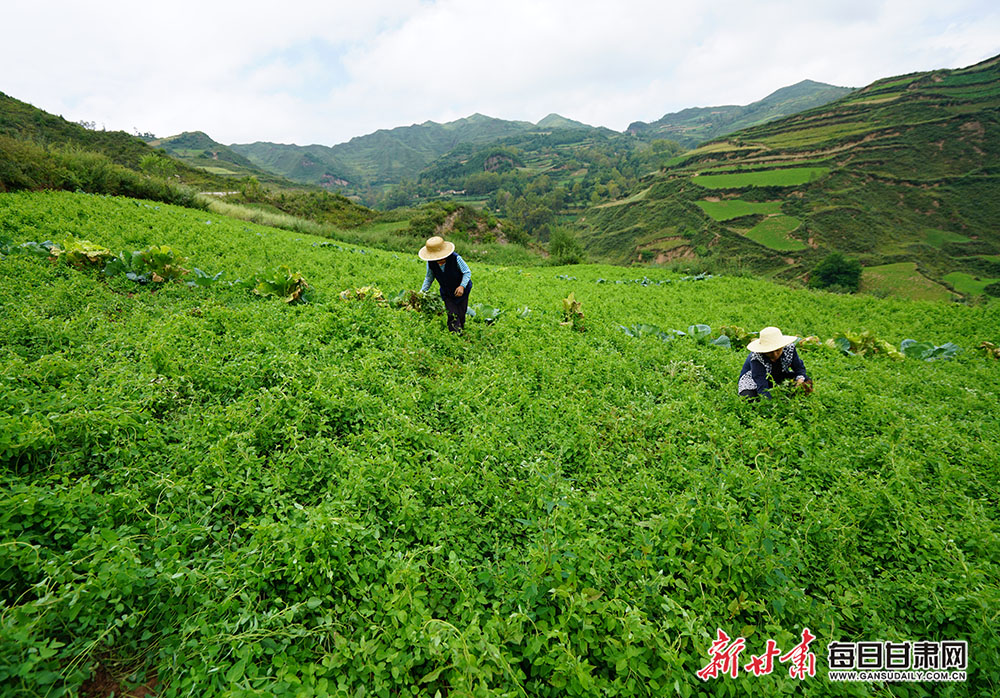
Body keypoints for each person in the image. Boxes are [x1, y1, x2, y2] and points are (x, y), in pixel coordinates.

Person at [738, 326, 813, 400]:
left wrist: (800, 379)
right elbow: (761, 384)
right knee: (749, 398)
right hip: (754, 381)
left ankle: (793, 398)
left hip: (779, 375)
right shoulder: (756, 357)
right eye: (770, 352)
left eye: (778, 350)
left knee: (806, 382)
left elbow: (799, 368)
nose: (775, 355)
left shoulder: (789, 348)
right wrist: (770, 404)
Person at [418, 236, 472, 333]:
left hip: (462, 290)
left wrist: (462, 286)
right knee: (452, 313)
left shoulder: (456, 258)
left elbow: (467, 272)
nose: (439, 259)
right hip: (447, 292)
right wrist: (422, 292)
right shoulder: (431, 263)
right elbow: (429, 278)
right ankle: (454, 335)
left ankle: (461, 331)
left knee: (461, 313)